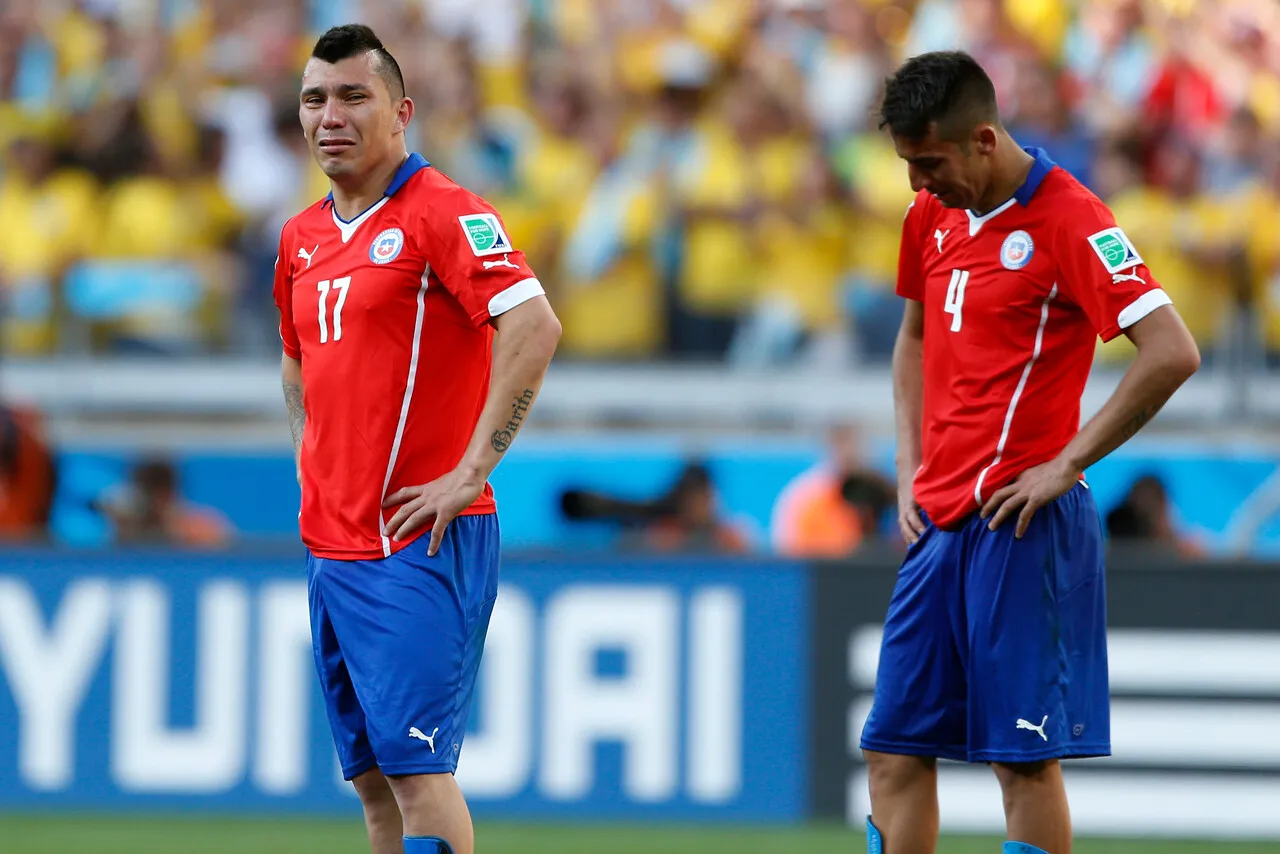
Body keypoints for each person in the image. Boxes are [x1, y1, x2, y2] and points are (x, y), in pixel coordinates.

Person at [859, 52, 1200, 854]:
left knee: (1021, 762)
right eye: (907, 165)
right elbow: (913, 341)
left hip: (1021, 524)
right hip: (937, 522)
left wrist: (1068, 463)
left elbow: (1172, 350)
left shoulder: (1072, 219)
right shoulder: (930, 216)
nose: (917, 183)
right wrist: (908, 466)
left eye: (928, 163)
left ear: (983, 139)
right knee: (893, 752)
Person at [272, 25, 561, 854]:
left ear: (400, 113)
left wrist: (472, 470)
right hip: (331, 545)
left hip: (417, 539)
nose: (330, 116)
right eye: (315, 99)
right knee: (373, 787)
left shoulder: (445, 212)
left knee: (417, 775)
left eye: (352, 97)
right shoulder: (300, 238)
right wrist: (312, 461)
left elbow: (534, 327)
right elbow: (295, 361)